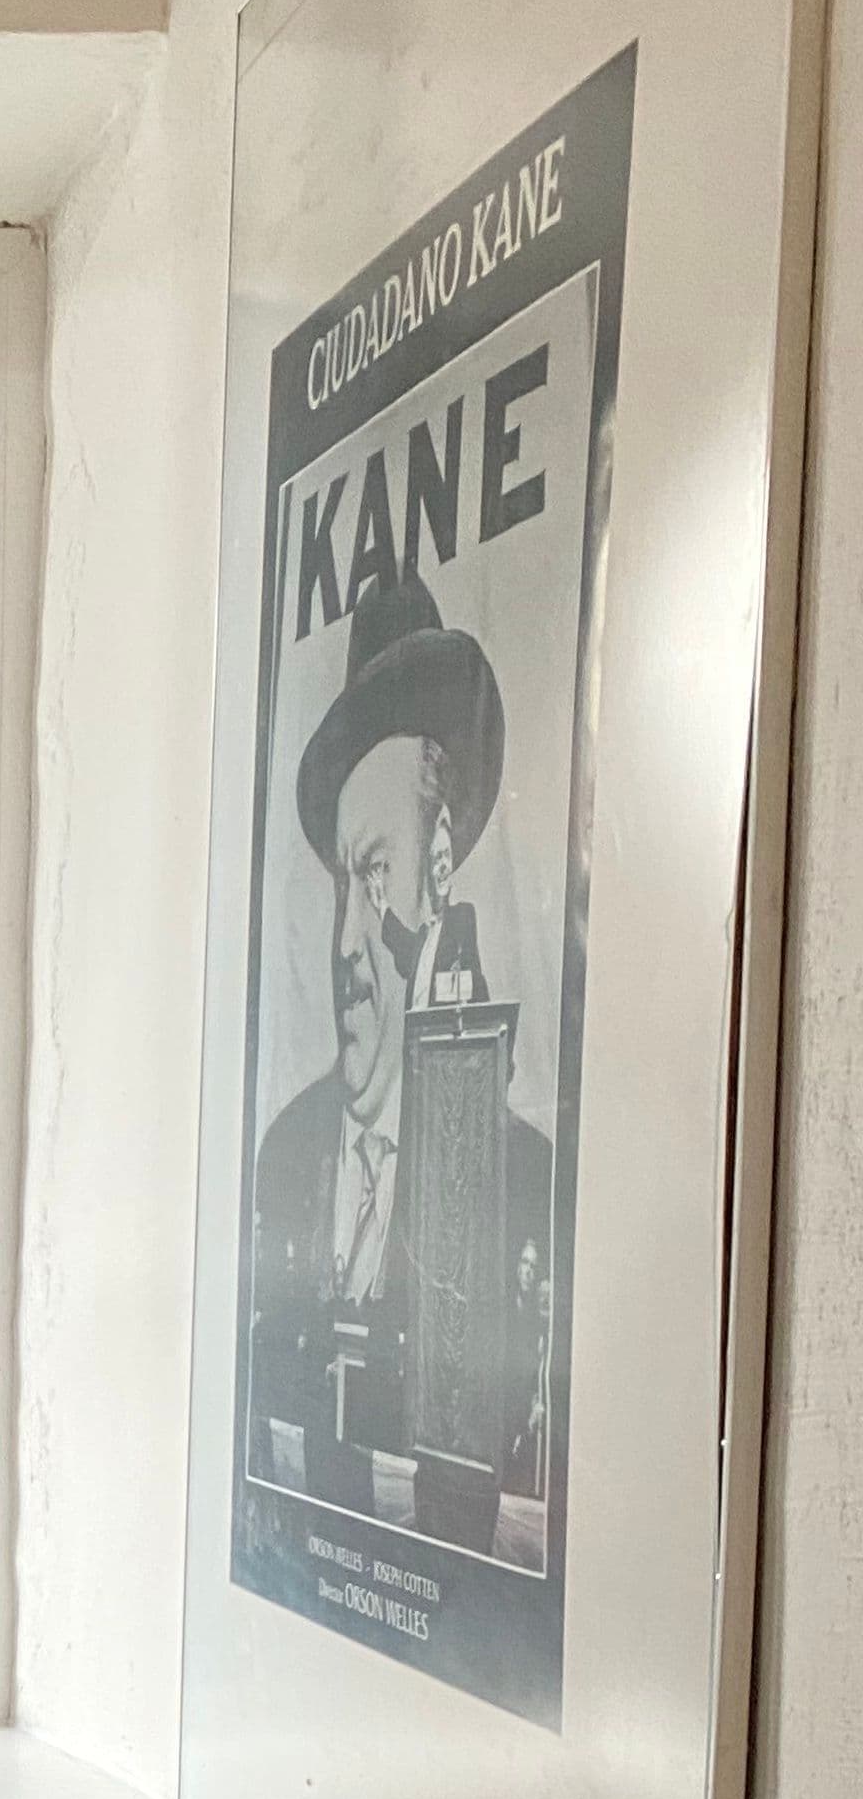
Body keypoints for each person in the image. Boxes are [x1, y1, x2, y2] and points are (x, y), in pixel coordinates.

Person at [247, 568, 552, 1470]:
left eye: (377, 876)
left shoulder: (522, 1185)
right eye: (344, 883)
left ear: (439, 872)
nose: (348, 940)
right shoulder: (286, 1157)